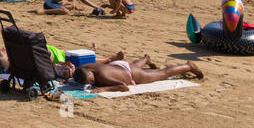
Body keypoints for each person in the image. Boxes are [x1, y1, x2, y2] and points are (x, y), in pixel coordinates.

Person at [73, 53, 202, 93]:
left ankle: (187, 66)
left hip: (131, 75)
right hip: (119, 67)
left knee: (161, 74)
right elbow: (76, 74)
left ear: (91, 73)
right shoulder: (84, 67)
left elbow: (124, 86)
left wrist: (104, 89)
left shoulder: (102, 76)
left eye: (91, 80)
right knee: (134, 65)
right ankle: (146, 59)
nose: (93, 82)